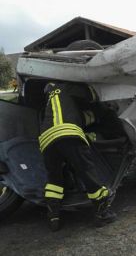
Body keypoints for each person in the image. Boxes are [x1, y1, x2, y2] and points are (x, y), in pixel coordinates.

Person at [39, 82, 116, 231]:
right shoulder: (69, 86)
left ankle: (53, 216)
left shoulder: (50, 99)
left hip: (46, 140)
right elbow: (94, 96)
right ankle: (103, 213)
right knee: (87, 172)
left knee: (54, 179)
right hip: (68, 134)